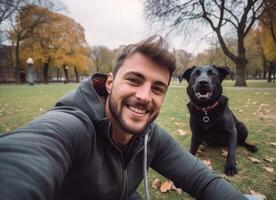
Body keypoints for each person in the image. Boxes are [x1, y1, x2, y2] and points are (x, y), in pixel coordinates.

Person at [0, 35, 257, 200]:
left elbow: (201, 180)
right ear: (110, 82)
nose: (145, 96)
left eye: (158, 88)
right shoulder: (72, 125)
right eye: (134, 80)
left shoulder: (150, 136)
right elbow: (22, 160)